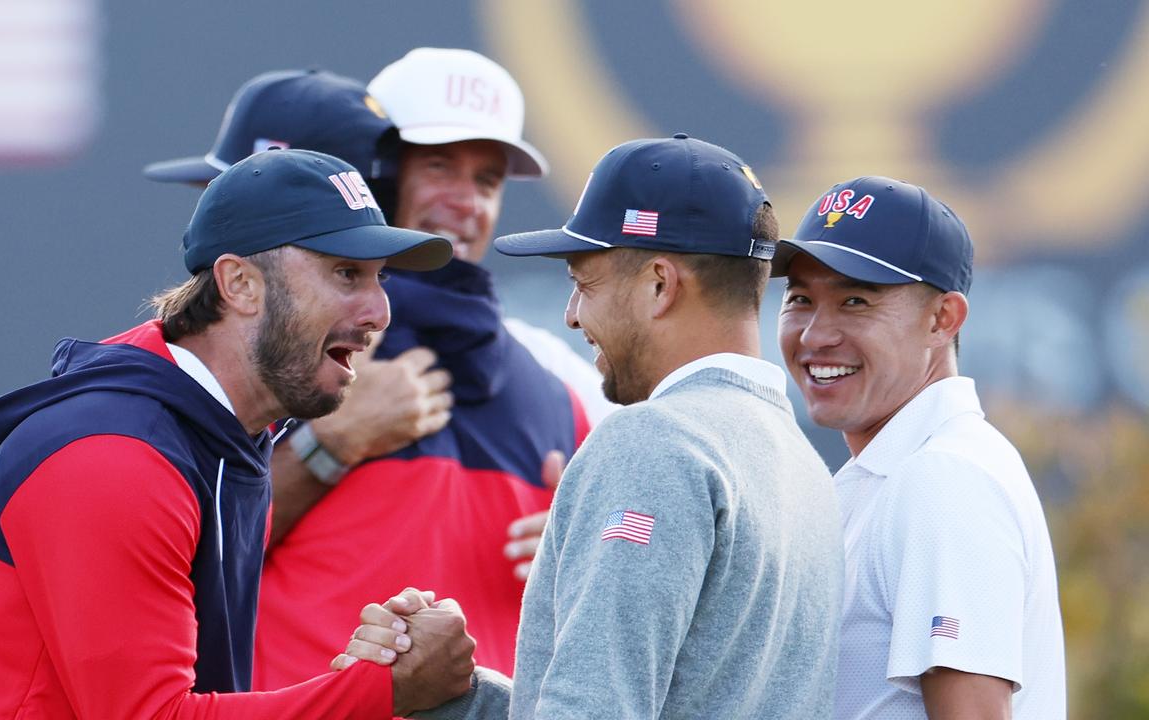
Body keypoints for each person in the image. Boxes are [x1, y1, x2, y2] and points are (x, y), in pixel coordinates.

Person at [0, 149, 474, 719]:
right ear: (239, 283)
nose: (380, 311)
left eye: (379, 278)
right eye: (346, 273)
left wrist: (385, 661)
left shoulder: (225, 438)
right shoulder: (114, 457)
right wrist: (381, 691)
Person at [141, 53, 606, 686]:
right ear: (375, 180)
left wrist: (586, 547)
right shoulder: (270, 357)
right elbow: (170, 558)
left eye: (488, 178)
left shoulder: (564, 388)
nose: (465, 200)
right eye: (438, 164)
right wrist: (327, 445)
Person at [341, 135, 845, 718]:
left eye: (585, 283)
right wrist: (457, 695)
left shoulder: (656, 440)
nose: (572, 314)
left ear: (660, 284)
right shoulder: (808, 468)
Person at [770, 176, 1067, 718]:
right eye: (800, 299)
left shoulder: (943, 478)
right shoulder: (901, 471)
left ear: (941, 319)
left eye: (855, 300)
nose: (815, 334)